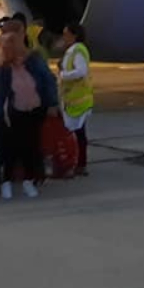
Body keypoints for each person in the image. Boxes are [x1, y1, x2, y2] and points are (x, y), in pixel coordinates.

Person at [0, 33, 60, 199]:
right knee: (12, 148)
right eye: (16, 55)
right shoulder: (5, 71)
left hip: (35, 110)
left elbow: (47, 81)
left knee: (31, 146)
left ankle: (29, 180)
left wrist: (51, 103)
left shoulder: (33, 63)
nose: (21, 57)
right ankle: (6, 181)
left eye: (22, 54)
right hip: (15, 113)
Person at [58, 22, 93, 176]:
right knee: (77, 133)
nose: (64, 37)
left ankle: (78, 164)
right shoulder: (72, 50)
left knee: (76, 134)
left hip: (78, 100)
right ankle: (79, 164)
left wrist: (63, 75)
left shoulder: (78, 50)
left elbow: (81, 71)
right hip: (73, 98)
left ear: (74, 35)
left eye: (66, 34)